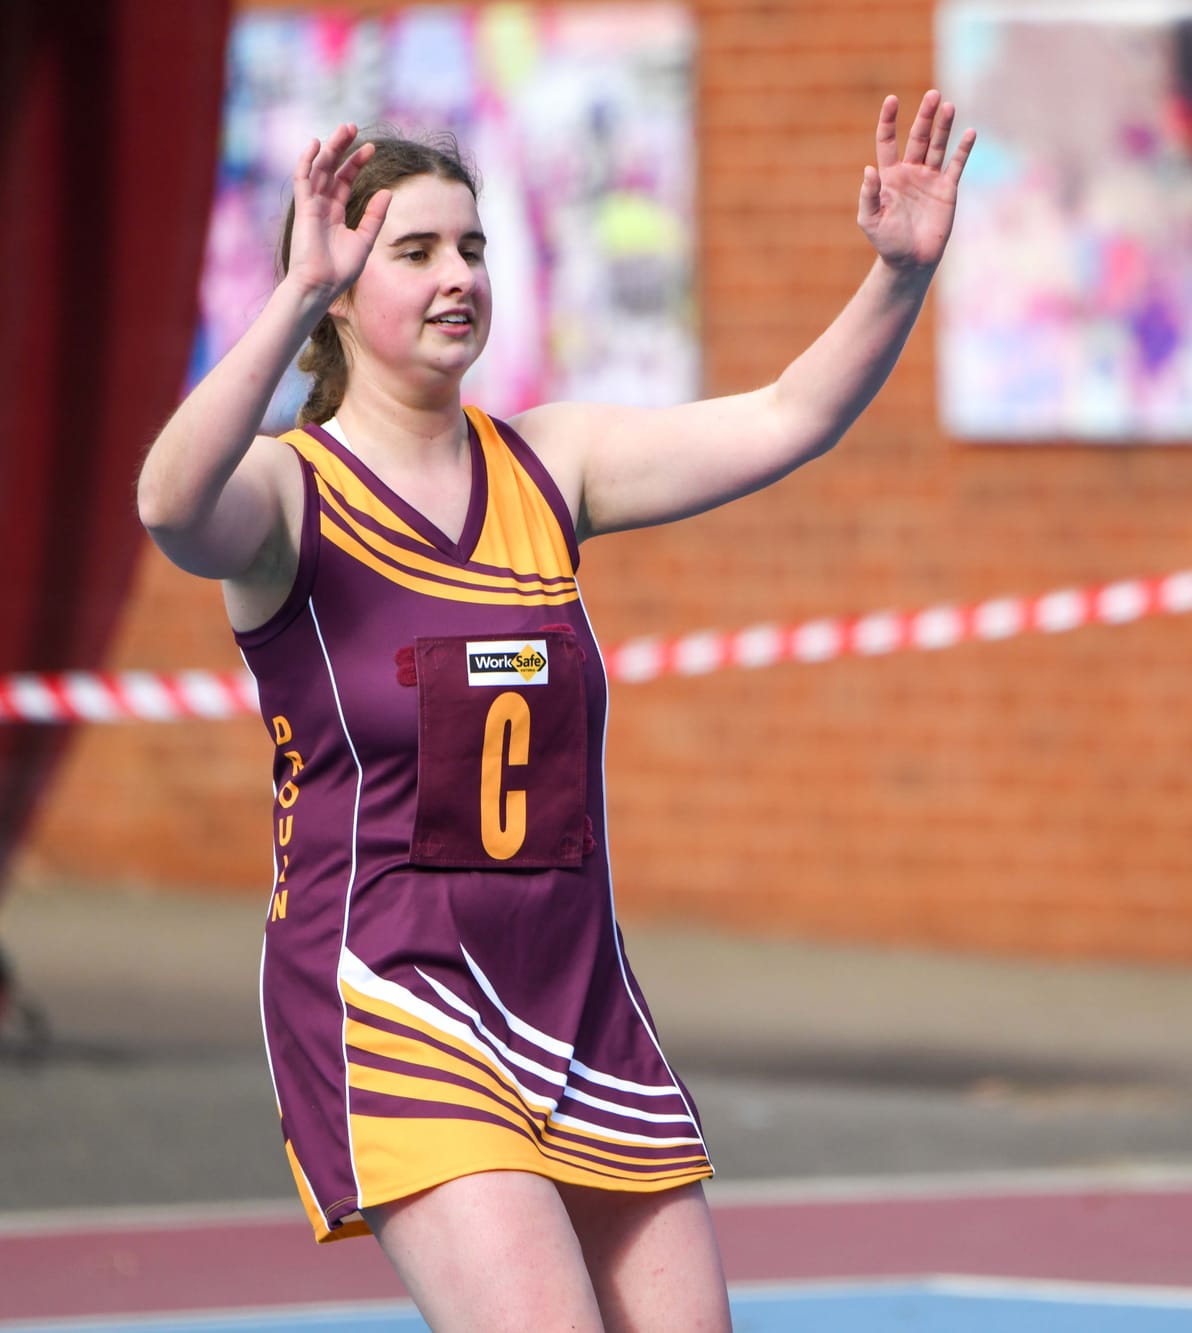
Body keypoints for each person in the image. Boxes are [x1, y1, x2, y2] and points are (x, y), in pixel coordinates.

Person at [135, 92, 975, 1332]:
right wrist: (292, 294)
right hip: (392, 985)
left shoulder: (550, 462)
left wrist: (896, 277)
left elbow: (790, 416)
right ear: (337, 289)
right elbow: (165, 501)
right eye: (411, 252)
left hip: (573, 992)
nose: (456, 275)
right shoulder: (285, 494)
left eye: (471, 246)